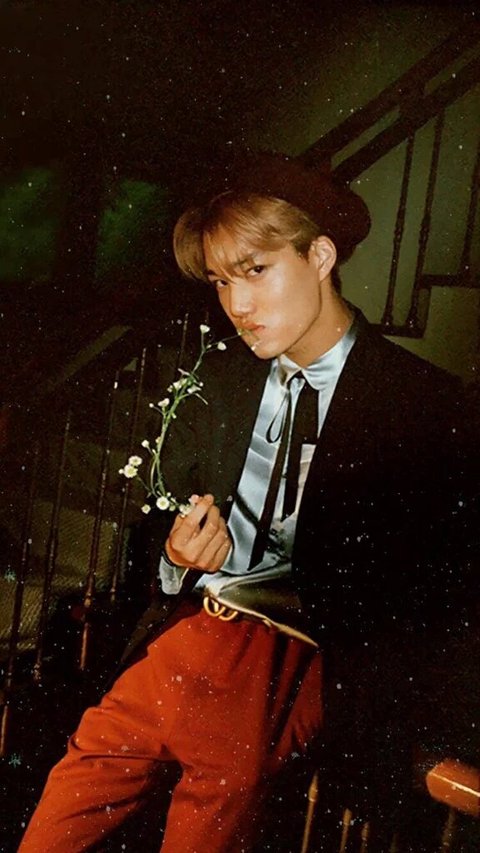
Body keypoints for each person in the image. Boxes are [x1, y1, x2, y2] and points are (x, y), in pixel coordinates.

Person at [19, 152, 471, 851]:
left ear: (320, 256)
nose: (236, 305)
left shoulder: (424, 404)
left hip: (288, 663)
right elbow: (153, 527)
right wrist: (176, 556)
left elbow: (436, 601)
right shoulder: (221, 379)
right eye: (222, 281)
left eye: (256, 270)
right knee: (58, 817)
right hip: (183, 639)